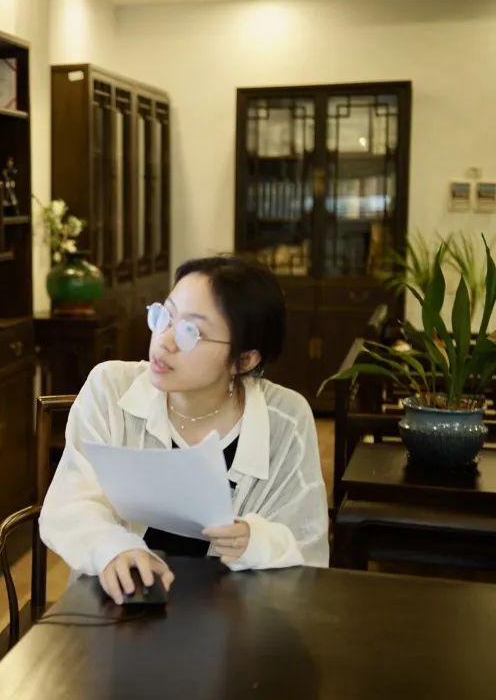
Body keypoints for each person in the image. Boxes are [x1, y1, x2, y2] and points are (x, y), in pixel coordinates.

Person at [40, 255, 329, 604]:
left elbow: (307, 542)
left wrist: (256, 540)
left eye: (191, 332)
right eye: (165, 316)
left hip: (237, 614)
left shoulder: (285, 417)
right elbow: (71, 502)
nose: (164, 341)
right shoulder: (110, 388)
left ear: (245, 359)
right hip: (121, 604)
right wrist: (113, 548)